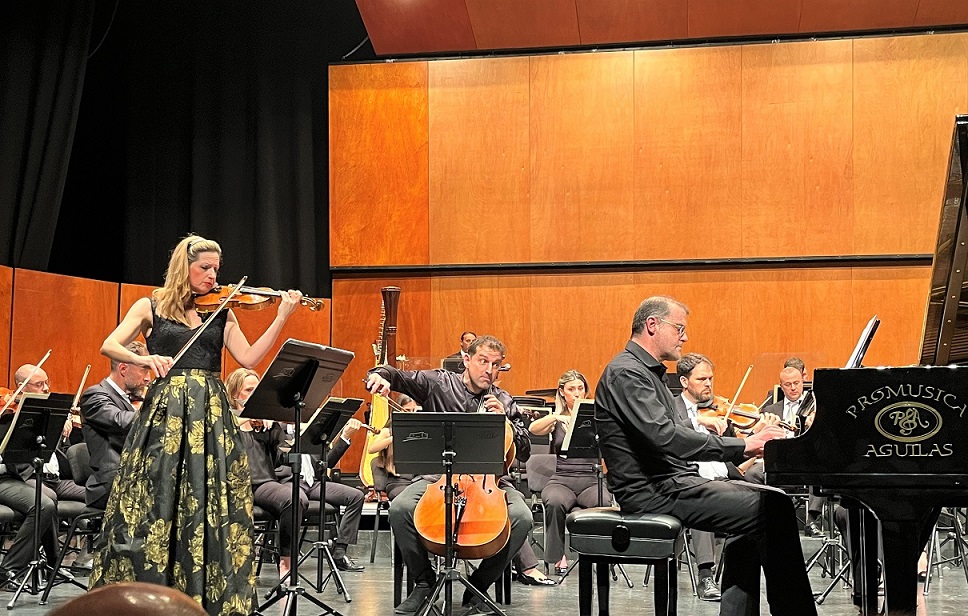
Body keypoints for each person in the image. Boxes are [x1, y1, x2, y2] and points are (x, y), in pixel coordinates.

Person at [89, 234, 302, 616]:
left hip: (211, 411)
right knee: (158, 495)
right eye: (205, 267)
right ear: (183, 267)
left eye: (216, 268)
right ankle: (149, 591)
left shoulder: (222, 310)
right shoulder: (149, 305)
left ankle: (204, 592)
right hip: (167, 412)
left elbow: (249, 358)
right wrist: (149, 358)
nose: (212, 275)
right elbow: (110, 345)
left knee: (210, 497)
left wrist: (281, 316)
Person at [595, 296, 817, 616]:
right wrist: (745, 445)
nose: (685, 337)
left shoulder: (645, 372)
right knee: (777, 508)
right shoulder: (627, 373)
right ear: (652, 325)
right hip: (651, 492)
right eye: (680, 328)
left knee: (765, 501)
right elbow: (666, 437)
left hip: (670, 482)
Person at [366, 334, 533, 615]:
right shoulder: (439, 383)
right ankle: (424, 582)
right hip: (437, 478)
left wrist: (506, 420)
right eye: (483, 362)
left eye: (496, 365)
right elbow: (399, 376)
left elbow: (525, 451)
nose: (489, 371)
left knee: (522, 518)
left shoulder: (503, 399)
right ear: (467, 360)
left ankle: (478, 585)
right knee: (400, 508)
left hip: (490, 482)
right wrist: (379, 375)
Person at [528, 369, 607, 577]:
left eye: (580, 388)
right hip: (562, 478)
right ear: (562, 392)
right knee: (554, 502)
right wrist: (556, 416)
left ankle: (599, 557)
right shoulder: (556, 418)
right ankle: (556, 557)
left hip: (591, 478)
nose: (577, 393)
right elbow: (533, 429)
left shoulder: (597, 413)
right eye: (571, 389)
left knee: (604, 503)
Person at [0, 364, 62, 584]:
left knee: (50, 498)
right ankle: (9, 568)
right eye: (40, 384)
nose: (46, 389)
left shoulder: (19, 416)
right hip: (4, 477)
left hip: (9, 476)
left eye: (46, 383)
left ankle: (52, 566)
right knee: (43, 504)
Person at [80, 341, 152, 510]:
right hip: (112, 484)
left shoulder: (133, 400)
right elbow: (121, 421)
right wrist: (156, 410)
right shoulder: (95, 396)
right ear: (123, 369)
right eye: (144, 370)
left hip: (135, 478)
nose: (148, 378)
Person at [761, 363, 824, 536]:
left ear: (803, 382)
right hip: (779, 461)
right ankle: (762, 520)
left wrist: (816, 424)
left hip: (806, 461)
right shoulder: (770, 410)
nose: (793, 388)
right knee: (753, 473)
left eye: (796, 383)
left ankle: (812, 521)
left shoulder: (817, 408)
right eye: (788, 384)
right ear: (781, 386)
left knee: (820, 470)